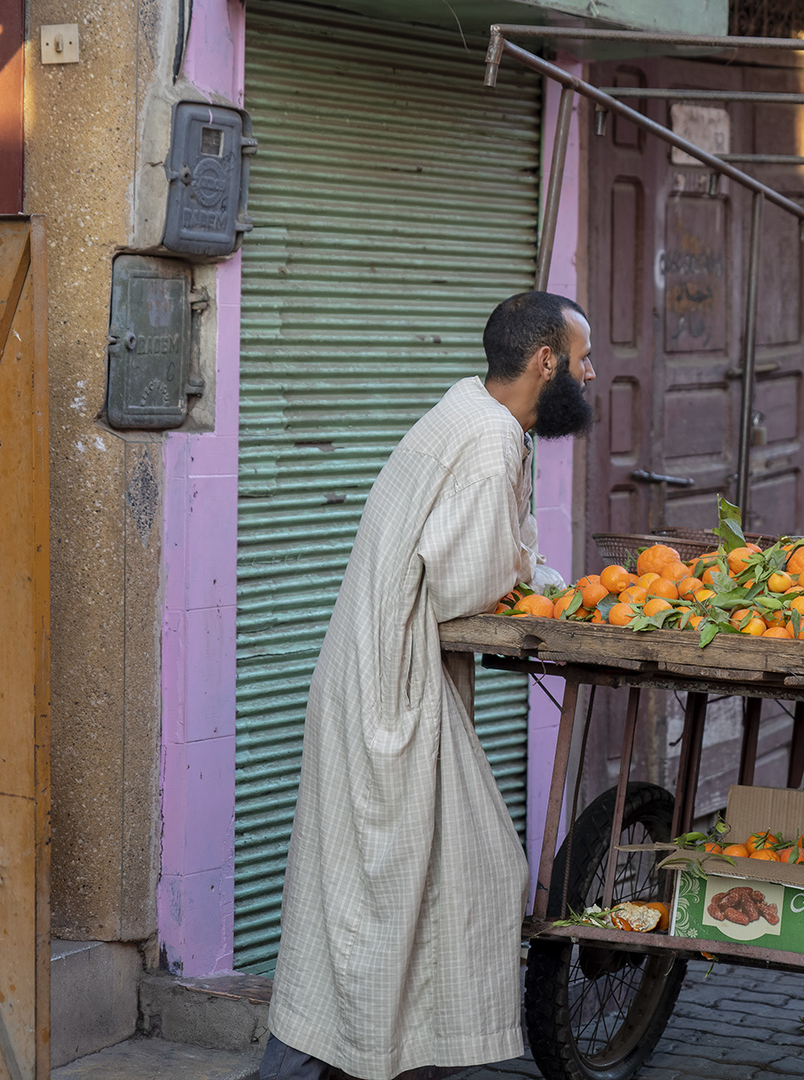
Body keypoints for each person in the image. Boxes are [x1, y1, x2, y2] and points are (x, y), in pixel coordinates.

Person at [261, 292, 594, 1080]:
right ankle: (361, 1056)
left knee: (383, 886)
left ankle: (380, 1054)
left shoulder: (472, 409)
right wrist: (534, 581)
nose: (590, 372)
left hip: (373, 671)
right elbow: (462, 584)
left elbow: (484, 551)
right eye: (581, 357)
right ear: (545, 362)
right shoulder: (488, 445)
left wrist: (529, 571)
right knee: (447, 878)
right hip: (392, 689)